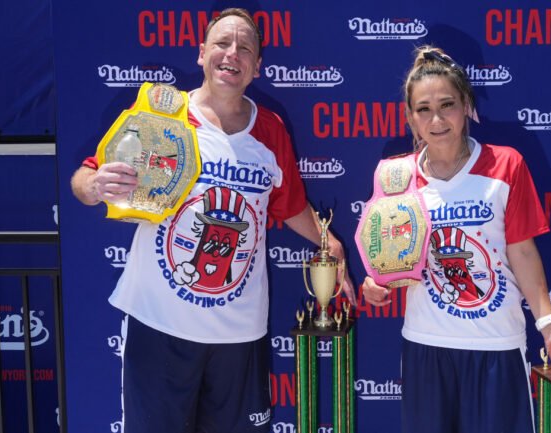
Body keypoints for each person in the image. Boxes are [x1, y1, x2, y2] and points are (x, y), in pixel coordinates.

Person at [70, 8, 355, 433]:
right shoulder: (164, 115)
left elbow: (291, 205)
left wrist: (328, 243)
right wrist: (94, 185)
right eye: (222, 43)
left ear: (257, 66)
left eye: (245, 48)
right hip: (159, 326)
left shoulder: (271, 130)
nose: (232, 54)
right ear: (201, 53)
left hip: (239, 334)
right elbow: (86, 175)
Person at [360, 46, 551, 433]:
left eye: (447, 104)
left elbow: (522, 251)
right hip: (426, 346)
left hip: (496, 345)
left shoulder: (506, 165)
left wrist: (549, 325)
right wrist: (377, 282)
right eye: (423, 109)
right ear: (410, 118)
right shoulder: (396, 176)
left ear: (466, 106)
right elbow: (390, 260)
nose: (436, 119)